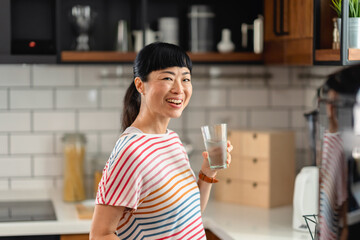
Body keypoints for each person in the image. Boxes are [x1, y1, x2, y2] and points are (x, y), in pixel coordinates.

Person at [90, 42, 233, 240]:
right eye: (168, 78)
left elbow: (188, 218)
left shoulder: (172, 140)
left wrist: (207, 172)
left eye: (186, 79)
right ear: (140, 85)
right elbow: (100, 235)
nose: (179, 89)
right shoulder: (131, 151)